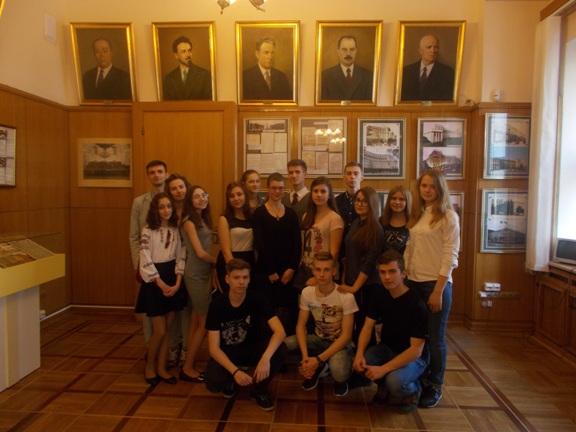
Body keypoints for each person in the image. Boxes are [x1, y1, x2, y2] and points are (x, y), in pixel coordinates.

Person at [404, 170, 460, 408]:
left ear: (440, 189)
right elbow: (410, 246)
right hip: (413, 281)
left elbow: (450, 256)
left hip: (435, 284)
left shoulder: (448, 217)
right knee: (419, 336)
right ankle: (420, 376)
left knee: (436, 338)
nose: (427, 190)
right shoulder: (419, 214)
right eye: (424, 186)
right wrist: (405, 270)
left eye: (432, 186)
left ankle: (435, 385)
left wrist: (438, 290)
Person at [205, 258, 288, 412]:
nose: (241, 282)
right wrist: (235, 371)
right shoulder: (217, 305)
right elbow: (214, 349)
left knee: (280, 349)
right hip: (228, 352)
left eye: (245, 277)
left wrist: (265, 359)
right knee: (214, 383)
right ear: (227, 279)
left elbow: (280, 331)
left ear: (249, 279)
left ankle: (258, 389)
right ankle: (231, 380)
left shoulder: (258, 299)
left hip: (252, 348)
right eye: (236, 277)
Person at [353, 251, 428, 414]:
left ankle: (414, 389)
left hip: (414, 357)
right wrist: (359, 353)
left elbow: (416, 351)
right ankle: (384, 385)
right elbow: (367, 327)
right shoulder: (380, 294)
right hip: (387, 348)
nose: (387, 277)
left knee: (395, 382)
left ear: (403, 274)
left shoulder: (417, 304)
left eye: (392, 271)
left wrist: (383, 369)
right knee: (361, 365)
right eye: (382, 272)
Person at [285, 252, 358, 397]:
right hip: (318, 338)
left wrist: (317, 359)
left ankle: (339, 379)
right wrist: (305, 358)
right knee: (284, 345)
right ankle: (318, 366)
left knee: (339, 371)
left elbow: (346, 336)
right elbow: (300, 326)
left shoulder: (346, 296)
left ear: (334, 271)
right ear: (313, 271)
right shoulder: (307, 292)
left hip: (340, 343)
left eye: (326, 270)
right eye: (318, 269)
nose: (322, 274)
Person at [135, 192, 186, 385]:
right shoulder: (148, 230)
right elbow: (145, 256)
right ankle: (150, 366)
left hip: (172, 278)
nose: (166, 210)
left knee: (168, 329)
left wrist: (177, 282)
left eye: (169, 206)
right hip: (155, 281)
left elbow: (181, 255)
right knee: (160, 330)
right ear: (155, 210)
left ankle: (162, 368)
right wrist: (160, 283)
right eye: (162, 207)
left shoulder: (175, 229)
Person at [252, 172, 302, 335]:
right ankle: (267, 343)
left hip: (288, 272)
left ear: (284, 189)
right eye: (273, 188)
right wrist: (270, 271)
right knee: (267, 309)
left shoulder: (291, 214)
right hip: (266, 271)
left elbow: (297, 244)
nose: (277, 191)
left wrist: (292, 268)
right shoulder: (259, 213)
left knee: (289, 309)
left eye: (280, 188)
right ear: (267, 189)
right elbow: (259, 244)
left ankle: (288, 343)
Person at [179, 185, 217, 383]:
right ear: (190, 201)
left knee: (196, 318)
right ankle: (187, 368)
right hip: (195, 274)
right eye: (196, 196)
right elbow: (200, 253)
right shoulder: (188, 222)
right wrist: (219, 262)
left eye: (204, 195)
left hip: (204, 272)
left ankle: (189, 361)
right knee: (204, 321)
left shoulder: (203, 218)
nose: (202, 198)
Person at [129, 160, 169, 348]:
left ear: (166, 174)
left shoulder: (172, 199)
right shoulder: (139, 202)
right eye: (152, 172)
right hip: (147, 264)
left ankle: (170, 347)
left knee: (170, 308)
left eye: (159, 171)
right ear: (148, 176)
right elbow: (134, 236)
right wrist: (139, 265)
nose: (156, 175)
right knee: (150, 309)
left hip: (168, 261)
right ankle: (150, 345)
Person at [338, 187, 384, 339]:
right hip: (352, 282)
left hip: (366, 286)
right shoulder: (356, 223)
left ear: (372, 203)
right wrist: (345, 280)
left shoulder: (375, 228)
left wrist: (355, 287)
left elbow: (370, 262)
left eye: (364, 201)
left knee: (364, 328)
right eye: (358, 200)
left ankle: (365, 354)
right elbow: (348, 255)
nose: (359, 204)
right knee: (352, 326)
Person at [294, 176, 343, 291]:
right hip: (305, 268)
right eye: (315, 191)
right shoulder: (306, 216)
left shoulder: (334, 218)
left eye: (323, 191)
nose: (319, 195)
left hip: (323, 273)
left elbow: (334, 252)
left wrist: (319, 275)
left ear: (329, 195)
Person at [164, 174, 191, 368]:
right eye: (174, 188)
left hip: (192, 264)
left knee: (188, 308)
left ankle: (186, 349)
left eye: (181, 186)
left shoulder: (194, 208)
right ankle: (173, 346)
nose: (178, 191)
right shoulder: (166, 211)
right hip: (170, 264)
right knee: (172, 308)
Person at [216, 182, 255, 293]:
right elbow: (226, 251)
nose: (236, 198)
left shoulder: (252, 217)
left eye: (239, 194)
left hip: (249, 260)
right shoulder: (224, 219)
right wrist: (235, 272)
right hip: (231, 261)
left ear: (245, 195)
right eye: (232, 196)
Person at [401, 34, 455, 101]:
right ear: (420, 50)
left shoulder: (447, 73)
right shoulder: (406, 71)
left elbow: (447, 100)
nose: (433, 51)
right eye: (429, 47)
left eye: (436, 47)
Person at [321, 36, 373, 101]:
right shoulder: (325, 76)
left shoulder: (368, 76)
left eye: (352, 49)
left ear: (356, 51)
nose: (348, 53)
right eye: (344, 50)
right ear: (338, 52)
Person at [163, 36, 212, 101]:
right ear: (176, 55)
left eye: (189, 51)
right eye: (183, 51)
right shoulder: (169, 79)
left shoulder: (204, 75)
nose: (188, 55)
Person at [335, 162, 364, 265]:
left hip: (362, 252)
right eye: (349, 173)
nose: (352, 176)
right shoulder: (336, 202)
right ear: (344, 177)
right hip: (341, 253)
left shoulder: (368, 200)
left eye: (356, 173)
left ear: (362, 177)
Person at [380, 185, 412, 254]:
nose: (397, 202)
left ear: (407, 201)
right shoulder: (380, 221)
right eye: (394, 198)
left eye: (401, 199)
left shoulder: (414, 223)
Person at [281, 159, 310, 224]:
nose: (294, 175)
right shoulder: (283, 198)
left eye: (297, 172)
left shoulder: (312, 198)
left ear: (305, 174)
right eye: (291, 172)